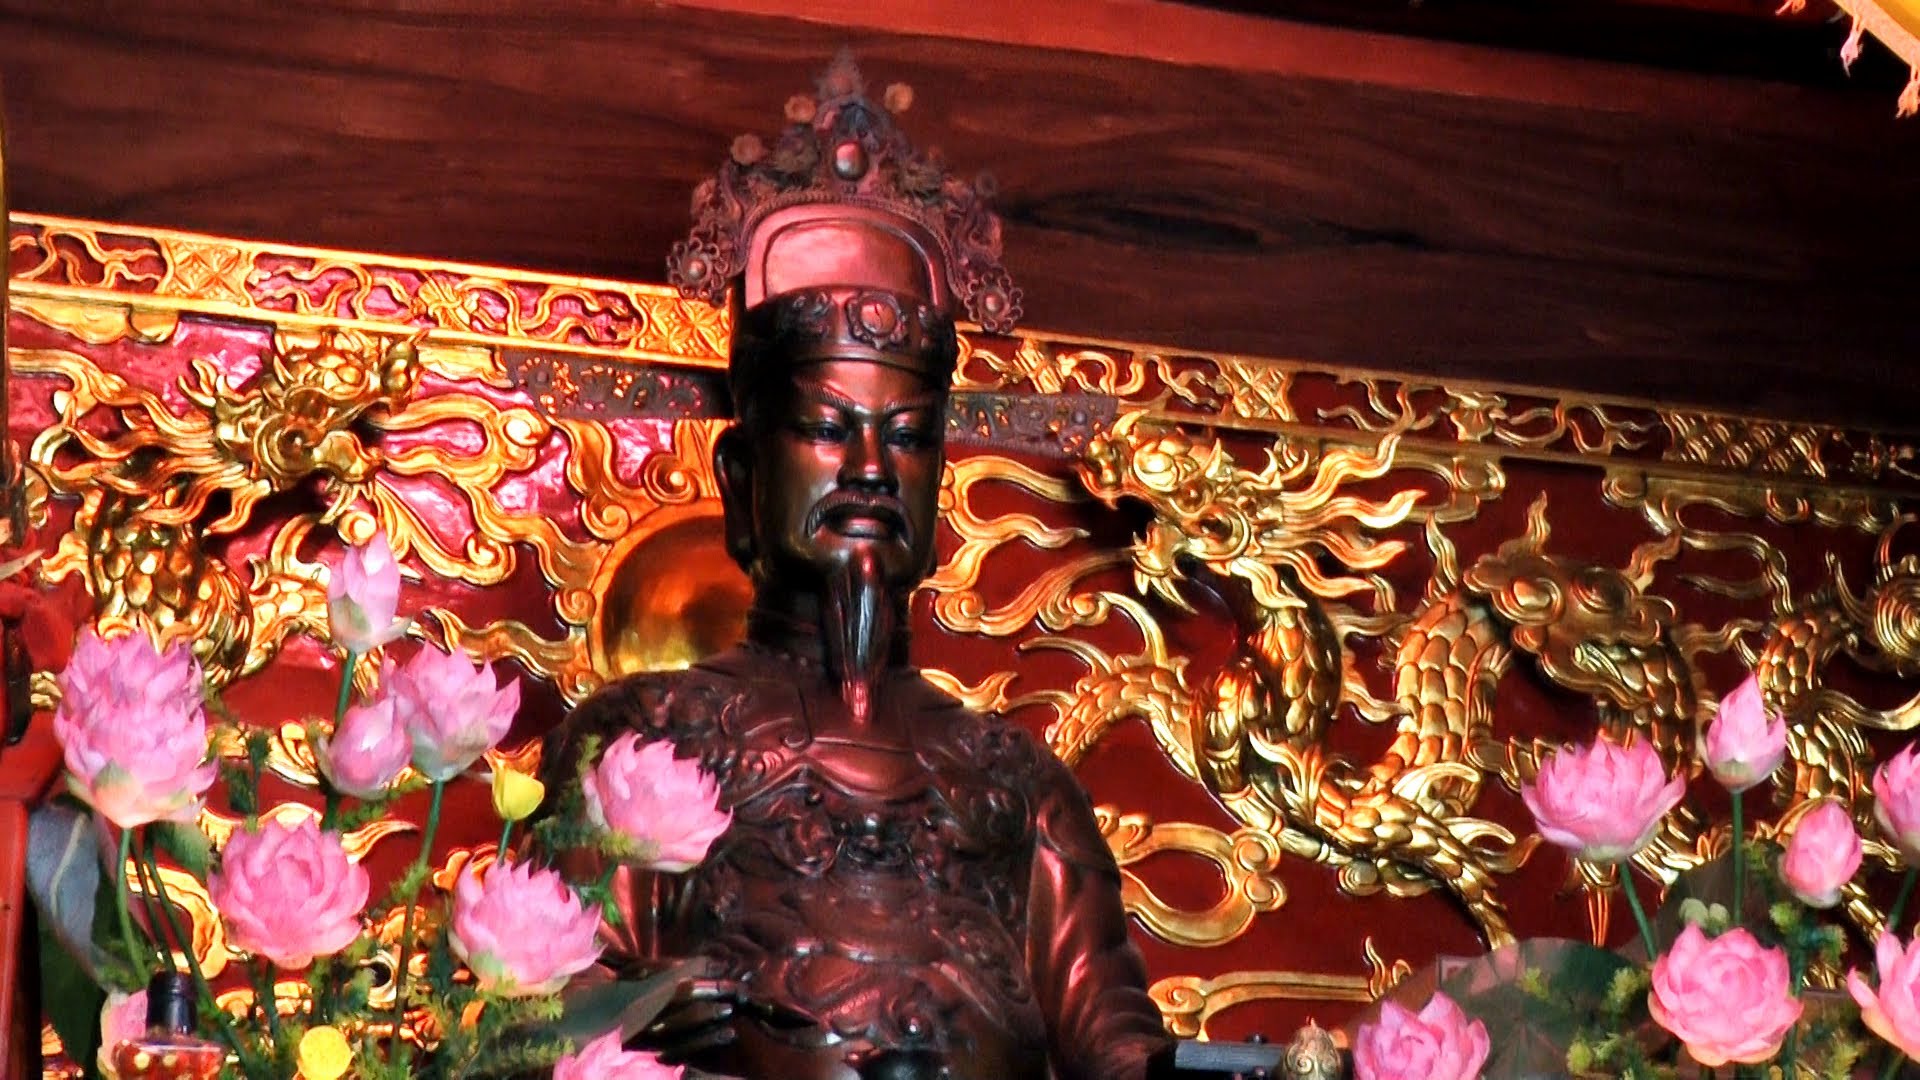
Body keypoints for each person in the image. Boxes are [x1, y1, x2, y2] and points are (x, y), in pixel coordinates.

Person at [542, 56, 1171, 1080]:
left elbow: (1116, 1036)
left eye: (908, 437)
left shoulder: (1018, 781)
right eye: (830, 430)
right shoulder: (643, 739)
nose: (872, 469)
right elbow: (530, 1013)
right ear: (743, 476)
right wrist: (633, 1010)